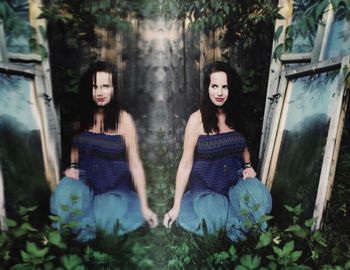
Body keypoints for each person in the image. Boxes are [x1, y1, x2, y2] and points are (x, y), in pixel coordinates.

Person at [163, 61, 272, 241]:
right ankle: (241, 235)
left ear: (231, 90)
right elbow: (185, 164)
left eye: (225, 87)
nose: (219, 93)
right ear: (208, 88)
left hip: (236, 182)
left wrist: (248, 165)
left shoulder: (235, 116)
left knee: (258, 202)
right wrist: (175, 206)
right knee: (218, 221)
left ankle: (258, 232)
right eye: (214, 86)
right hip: (208, 189)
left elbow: (242, 145)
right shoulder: (196, 120)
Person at [51, 61, 158, 241]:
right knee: (64, 195)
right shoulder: (83, 117)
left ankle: (90, 224)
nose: (100, 92)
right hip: (84, 182)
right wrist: (73, 166)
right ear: (88, 90)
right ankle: (73, 227)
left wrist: (145, 205)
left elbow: (135, 164)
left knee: (103, 220)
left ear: (113, 88)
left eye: (105, 86)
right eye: (95, 87)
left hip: (114, 188)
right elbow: (76, 147)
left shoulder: (124, 120)